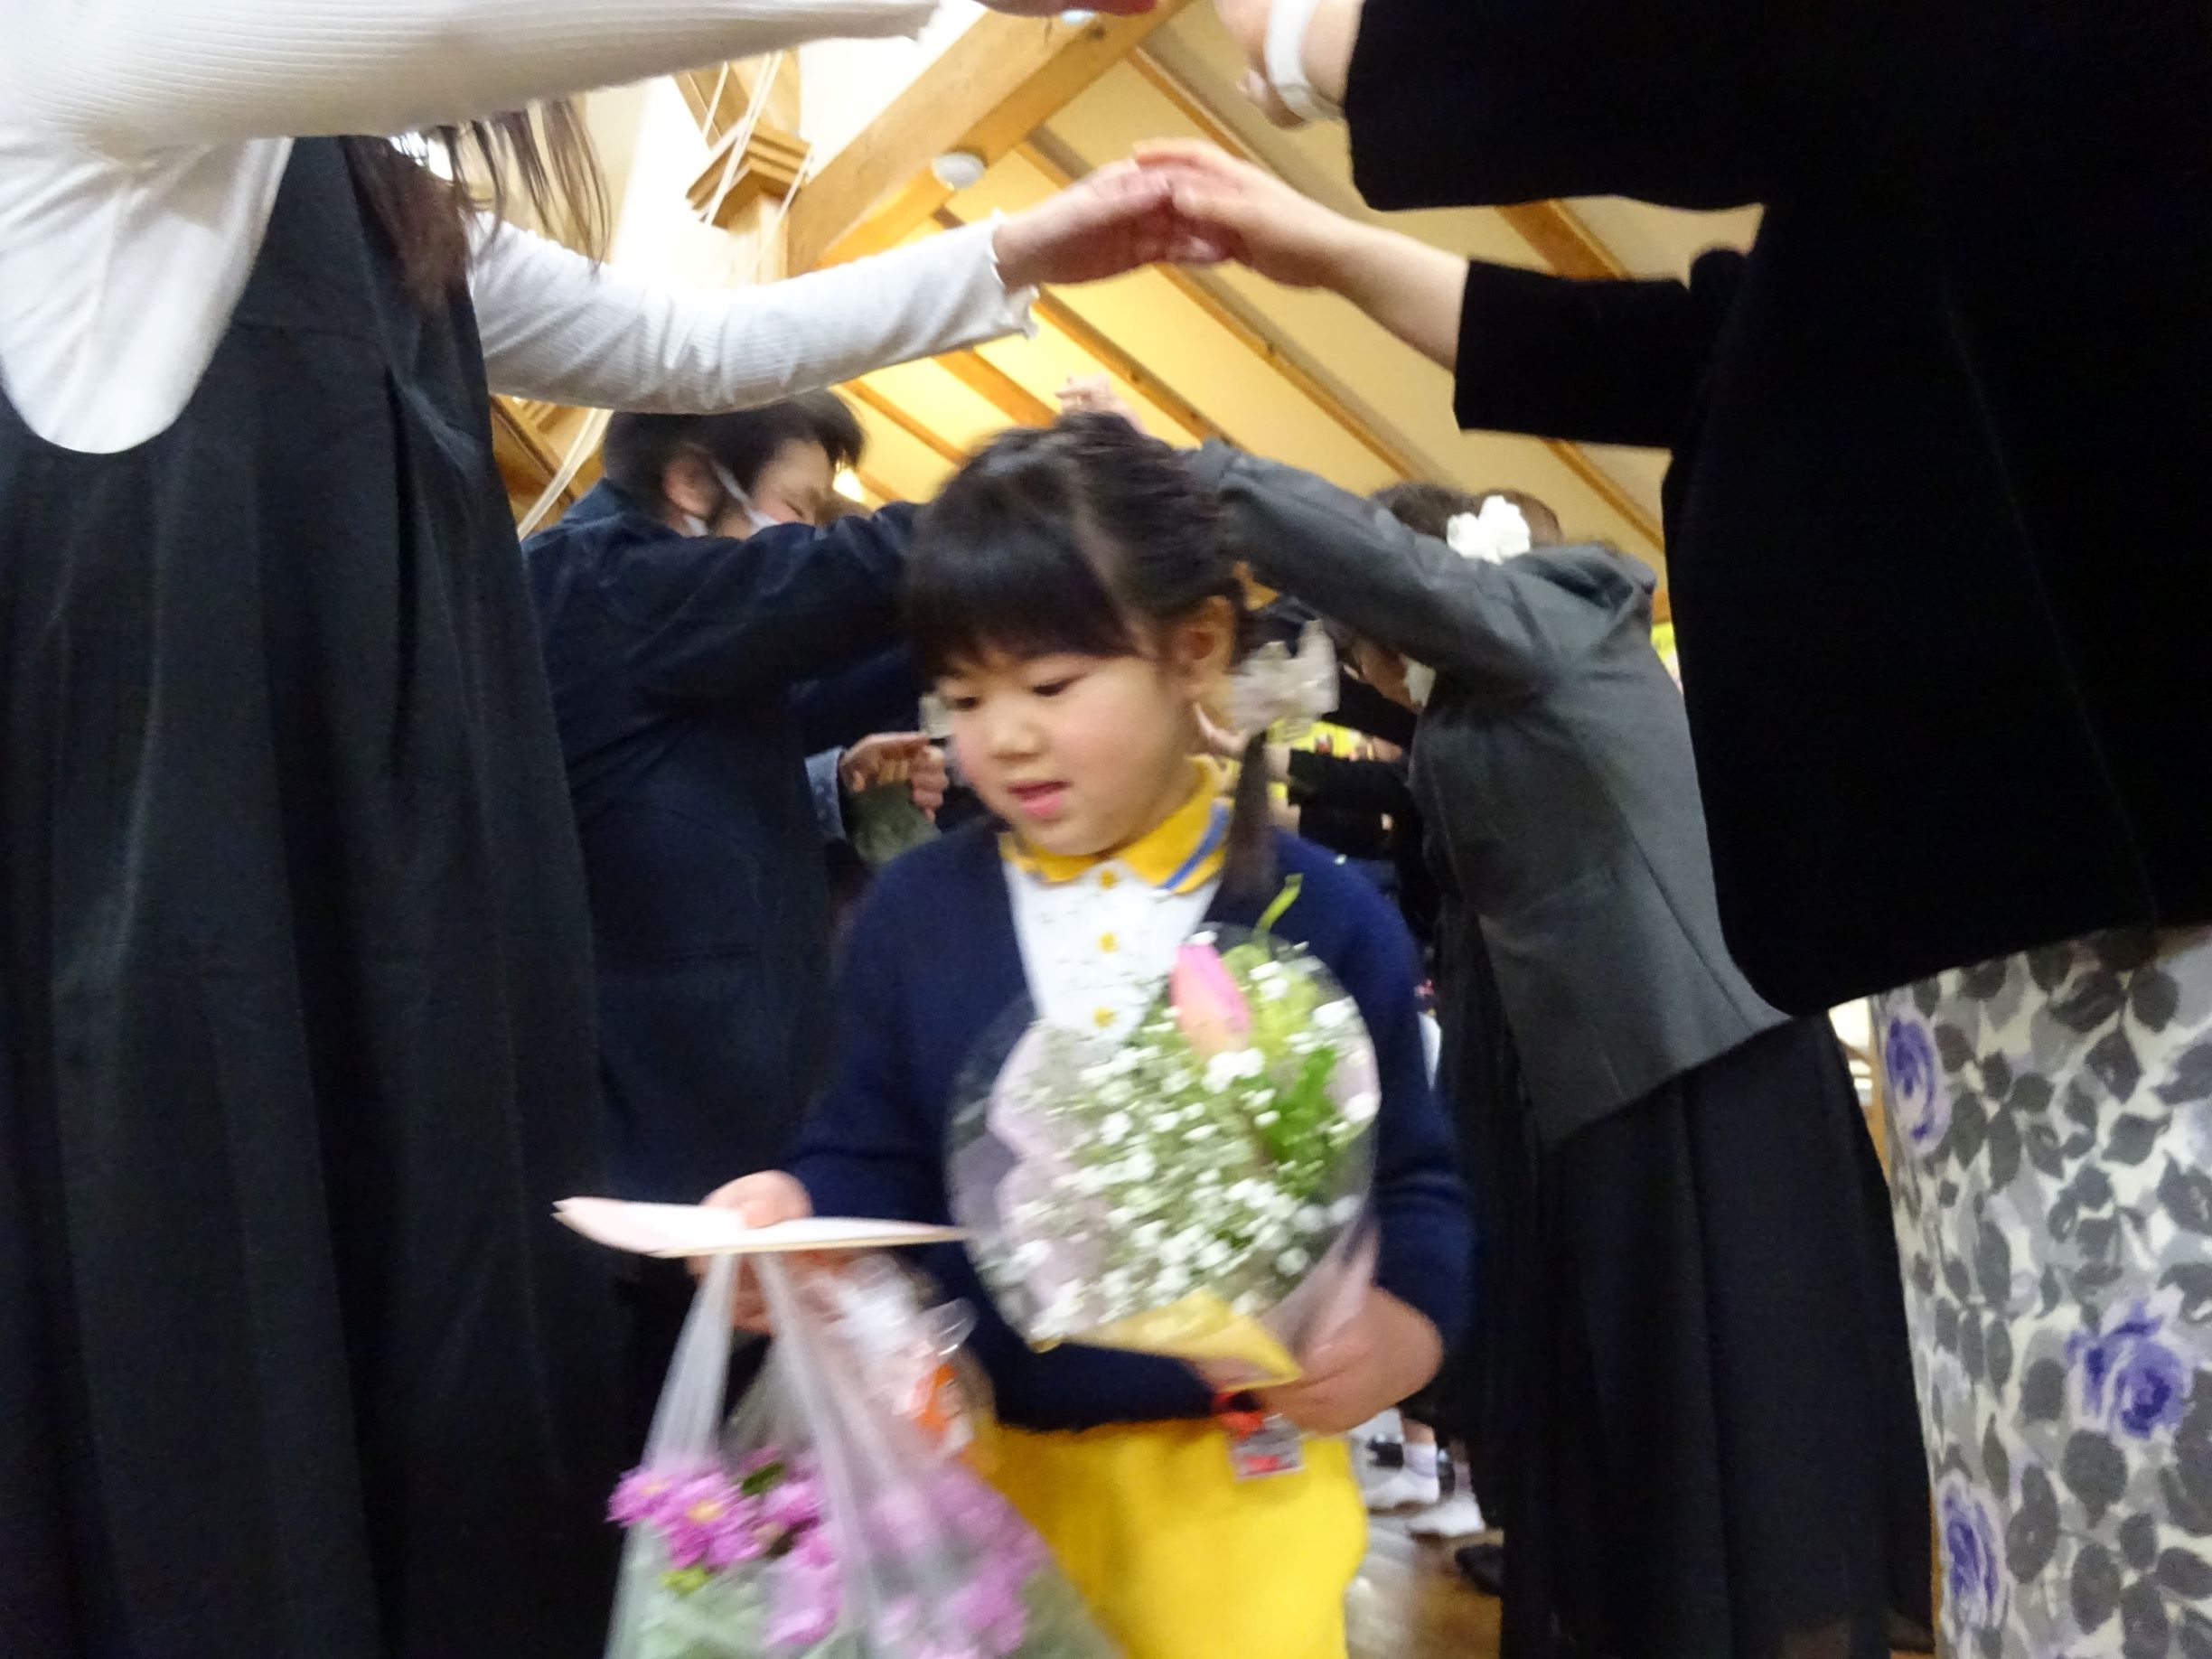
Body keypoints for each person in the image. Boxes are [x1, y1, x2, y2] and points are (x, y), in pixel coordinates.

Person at [0, 3, 1195, 1650]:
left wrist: (1013, 251)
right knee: (231, 1401)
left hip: (413, 931)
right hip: (192, 914)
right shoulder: (68, 54)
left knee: (450, 1392)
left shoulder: (377, 206)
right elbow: (453, 27)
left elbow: (696, 348)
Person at [1162, 3, 2212, 1645]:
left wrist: (1318, 42)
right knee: (2038, 1522)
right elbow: (1713, 346)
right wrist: (1329, 255)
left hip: (2107, 942)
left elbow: (1788, 56)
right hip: (1984, 959)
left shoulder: (1542, 613)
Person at [703, 414, 1471, 1659]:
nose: (1002, 735)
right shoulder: (918, 914)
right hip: (973, 1504)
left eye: (1051, 686)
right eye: (963, 697)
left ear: (1194, 650)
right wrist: (794, 1223)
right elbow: (868, 1155)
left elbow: (1418, 1189)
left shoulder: (1318, 915)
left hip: (1236, 1508)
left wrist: (1398, 1333)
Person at [1181, 445, 1931, 1658]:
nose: (1373, 675)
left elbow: (1393, 594)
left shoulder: (1559, 611)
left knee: (1730, 1409)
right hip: (1607, 1076)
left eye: (1370, 645)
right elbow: (1401, 769)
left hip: (1690, 1062)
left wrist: (1206, 480)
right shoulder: (1493, 691)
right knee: (1638, 1412)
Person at [524, 394, 953, 1442]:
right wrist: (1035, 494)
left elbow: (803, 695)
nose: (805, 537)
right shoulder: (597, 579)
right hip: (647, 1166)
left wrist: (839, 789)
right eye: (797, 508)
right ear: (690, 483)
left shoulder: (662, 624)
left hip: (711, 1150)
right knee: (639, 1467)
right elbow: (841, 581)